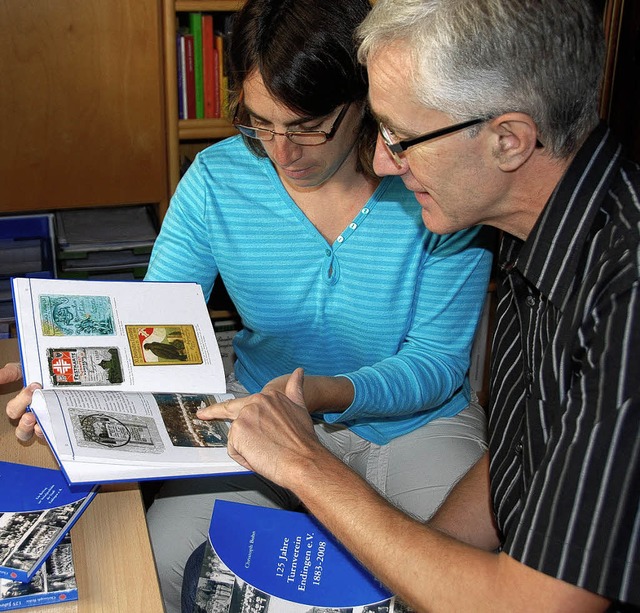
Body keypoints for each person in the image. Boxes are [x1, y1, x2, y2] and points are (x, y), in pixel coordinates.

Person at [3, 0, 493, 610]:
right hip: (254, 420)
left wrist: (319, 394)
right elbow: (155, 319)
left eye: (307, 124)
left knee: (459, 583)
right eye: (259, 122)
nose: (282, 151)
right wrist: (70, 364)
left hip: (415, 428)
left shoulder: (433, 181)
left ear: (363, 97)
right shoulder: (217, 179)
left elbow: (436, 364)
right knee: (150, 562)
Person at [181, 0, 640, 610]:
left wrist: (308, 468)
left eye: (399, 136)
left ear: (509, 140)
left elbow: (537, 605)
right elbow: (524, 458)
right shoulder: (547, 243)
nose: (378, 160)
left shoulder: (623, 295)